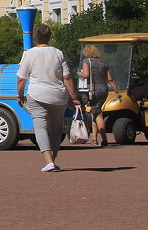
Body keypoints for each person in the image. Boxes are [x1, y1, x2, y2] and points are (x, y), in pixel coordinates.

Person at [16, 23, 81, 172]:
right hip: (58, 96)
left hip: (37, 94)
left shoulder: (30, 53)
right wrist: (74, 98)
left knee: (40, 126)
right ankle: (53, 159)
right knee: (56, 129)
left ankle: (48, 161)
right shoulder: (59, 53)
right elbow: (67, 77)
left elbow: (21, 78)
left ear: (35, 37)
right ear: (49, 36)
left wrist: (19, 95)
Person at [80, 44, 116, 147]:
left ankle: (104, 139)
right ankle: (94, 139)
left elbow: (86, 75)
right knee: (94, 113)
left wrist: (79, 73)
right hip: (104, 90)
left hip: (93, 91)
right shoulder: (103, 63)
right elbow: (110, 79)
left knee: (98, 114)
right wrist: (117, 91)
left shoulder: (86, 62)